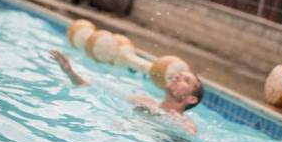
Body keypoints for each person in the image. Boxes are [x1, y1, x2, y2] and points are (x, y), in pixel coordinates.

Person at [50, 49, 203, 134]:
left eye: (185, 80)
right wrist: (70, 73)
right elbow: (95, 87)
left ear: (191, 99)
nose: (177, 77)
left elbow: (190, 136)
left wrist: (175, 124)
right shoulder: (143, 101)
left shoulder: (186, 123)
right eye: (179, 75)